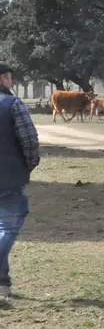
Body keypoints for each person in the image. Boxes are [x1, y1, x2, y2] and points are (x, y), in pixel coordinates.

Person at [0, 63, 39, 302]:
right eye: (10, 79)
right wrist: (29, 165)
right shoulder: (13, 105)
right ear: (3, 79)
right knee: (8, 227)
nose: (12, 84)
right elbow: (29, 140)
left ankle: (2, 284)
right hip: (8, 177)